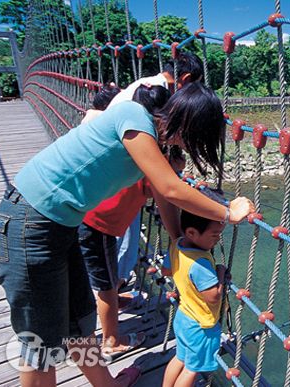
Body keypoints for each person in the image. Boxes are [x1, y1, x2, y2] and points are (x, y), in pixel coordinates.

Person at [0, 82, 254, 387]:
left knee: (79, 326)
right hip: (30, 223)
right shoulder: (134, 117)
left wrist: (178, 246)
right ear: (186, 121)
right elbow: (171, 187)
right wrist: (227, 213)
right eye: (193, 137)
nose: (187, 145)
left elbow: (163, 196)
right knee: (41, 346)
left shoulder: (156, 145)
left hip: (61, 226)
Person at [78, 85, 172, 359]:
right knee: (105, 284)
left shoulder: (129, 141)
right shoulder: (144, 151)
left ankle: (114, 304)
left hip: (95, 219)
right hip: (98, 225)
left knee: (107, 277)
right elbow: (165, 191)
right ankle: (111, 341)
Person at [110, 53, 204, 290]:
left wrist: (177, 239)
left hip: (120, 169)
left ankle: (114, 284)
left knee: (121, 230)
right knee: (121, 229)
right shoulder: (154, 96)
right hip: (120, 176)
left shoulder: (146, 87)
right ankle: (115, 284)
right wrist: (226, 214)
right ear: (185, 78)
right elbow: (167, 187)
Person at [160, 192, 229, 387]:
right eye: (214, 235)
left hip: (183, 317)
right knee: (192, 369)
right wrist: (220, 272)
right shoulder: (200, 263)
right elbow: (214, 296)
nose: (217, 240)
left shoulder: (178, 244)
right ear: (191, 232)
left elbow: (166, 270)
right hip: (201, 325)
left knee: (180, 358)